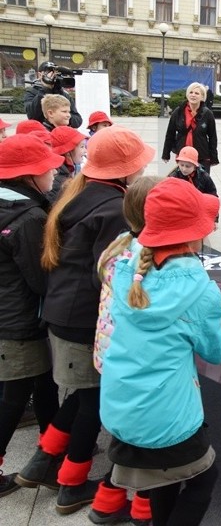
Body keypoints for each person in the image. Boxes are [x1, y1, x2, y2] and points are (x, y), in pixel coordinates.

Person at [14, 126, 155, 516]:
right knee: (93, 401)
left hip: (63, 312)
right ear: (125, 170)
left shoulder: (81, 191)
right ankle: (72, 485)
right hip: (83, 319)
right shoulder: (113, 209)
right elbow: (111, 272)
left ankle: (43, 462)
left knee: (80, 396)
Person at [100, 177, 221, 526]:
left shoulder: (127, 271)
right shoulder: (201, 292)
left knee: (162, 483)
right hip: (167, 418)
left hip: (122, 407)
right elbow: (215, 353)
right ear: (195, 232)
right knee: (204, 480)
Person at [88, 176, 161, 526]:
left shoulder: (118, 245)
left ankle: (106, 501)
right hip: (139, 364)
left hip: (110, 357)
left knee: (125, 433)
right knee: (147, 439)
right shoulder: (154, 263)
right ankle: (143, 508)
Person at [0, 135, 63, 497]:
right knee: (14, 396)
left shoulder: (12, 206)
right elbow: (41, 278)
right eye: (47, 169)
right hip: (19, 320)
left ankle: (52, 453)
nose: (53, 175)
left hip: (10, 313)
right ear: (28, 176)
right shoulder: (29, 218)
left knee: (43, 385)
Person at [162, 82, 218, 170]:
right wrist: (166, 154)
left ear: (202, 97)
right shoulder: (178, 112)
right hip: (183, 156)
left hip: (202, 156)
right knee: (183, 183)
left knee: (201, 183)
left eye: (197, 93)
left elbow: (213, 137)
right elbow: (170, 133)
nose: (193, 95)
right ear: (187, 95)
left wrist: (214, 158)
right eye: (191, 92)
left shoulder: (208, 114)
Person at [24, 61, 83, 129]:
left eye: (55, 73)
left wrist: (62, 117)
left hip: (62, 133)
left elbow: (78, 120)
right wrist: (45, 88)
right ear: (40, 75)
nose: (53, 76)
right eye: (49, 72)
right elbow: (32, 116)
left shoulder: (64, 94)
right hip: (42, 133)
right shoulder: (32, 92)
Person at [47, 125, 87, 201]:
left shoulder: (66, 171)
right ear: (68, 152)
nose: (86, 151)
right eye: (82, 147)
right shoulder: (59, 180)